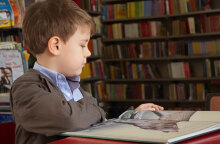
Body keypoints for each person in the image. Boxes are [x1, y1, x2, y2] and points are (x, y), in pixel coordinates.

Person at [10, 0, 163, 144]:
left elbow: (92, 121)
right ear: (56, 46)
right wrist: (96, 111)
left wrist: (129, 117)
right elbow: (68, 119)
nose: (88, 53)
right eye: (83, 45)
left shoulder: (72, 84)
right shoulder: (25, 87)